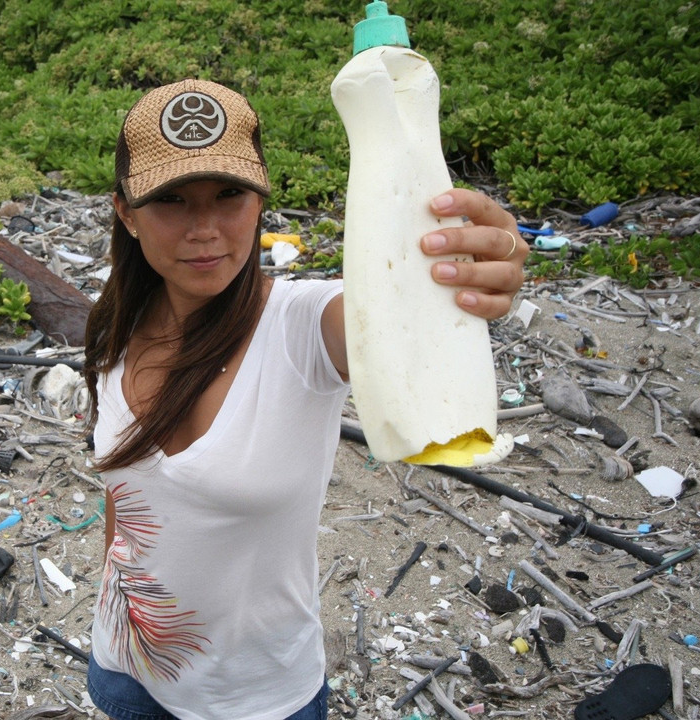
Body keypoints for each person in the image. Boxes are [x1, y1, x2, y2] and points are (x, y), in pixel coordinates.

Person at [81, 79, 526, 720]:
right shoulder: (114, 326)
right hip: (122, 665)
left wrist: (477, 268)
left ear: (260, 198)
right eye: (172, 199)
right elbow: (125, 500)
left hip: (256, 698)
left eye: (229, 194)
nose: (205, 229)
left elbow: (396, 317)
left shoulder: (303, 328)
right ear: (125, 211)